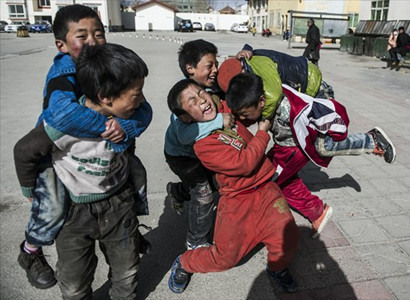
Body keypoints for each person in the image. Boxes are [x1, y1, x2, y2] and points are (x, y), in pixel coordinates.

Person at [16, 4, 152, 290]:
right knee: (51, 208)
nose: (92, 41)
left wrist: (125, 126)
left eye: (99, 33)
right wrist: (106, 127)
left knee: (135, 176)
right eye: (82, 35)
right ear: (61, 45)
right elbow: (62, 115)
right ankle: (31, 251)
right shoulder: (64, 72)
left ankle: (128, 229)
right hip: (57, 147)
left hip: (104, 153)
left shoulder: (108, 65)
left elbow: (143, 108)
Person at [220, 67, 396, 239]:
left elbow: (321, 119)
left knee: (272, 177)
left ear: (261, 101)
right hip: (285, 145)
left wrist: (262, 132)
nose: (243, 118)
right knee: (281, 177)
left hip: (294, 148)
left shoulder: (288, 109)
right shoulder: (262, 98)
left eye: (244, 114)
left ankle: (371, 140)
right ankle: (317, 212)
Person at [167, 75, 299, 294]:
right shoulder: (203, 146)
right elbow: (244, 165)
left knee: (289, 236)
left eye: (201, 93)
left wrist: (245, 58)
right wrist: (262, 133)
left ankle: (277, 267)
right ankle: (186, 261)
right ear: (186, 118)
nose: (201, 100)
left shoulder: (226, 109)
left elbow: (241, 85)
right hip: (237, 200)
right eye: (192, 102)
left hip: (267, 190)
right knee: (226, 258)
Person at [165, 39, 231, 249]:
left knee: (213, 185)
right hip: (182, 157)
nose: (215, 70)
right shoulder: (182, 98)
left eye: (216, 64)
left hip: (200, 153)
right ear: (190, 69)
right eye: (209, 66)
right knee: (203, 195)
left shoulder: (209, 91)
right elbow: (185, 136)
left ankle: (178, 192)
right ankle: (196, 243)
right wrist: (221, 121)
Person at [219, 44, 334, 121]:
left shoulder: (259, 66)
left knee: (324, 134)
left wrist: (263, 118)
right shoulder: (248, 66)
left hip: (312, 84)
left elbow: (273, 96)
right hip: (302, 88)